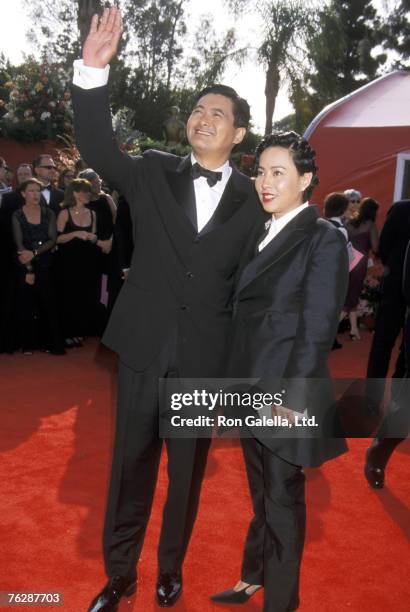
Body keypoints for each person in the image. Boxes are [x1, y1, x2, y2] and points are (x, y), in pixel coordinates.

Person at [72, 7, 262, 611]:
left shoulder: (256, 201)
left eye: (219, 114)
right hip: (145, 346)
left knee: (185, 479)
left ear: (238, 135)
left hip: (205, 359)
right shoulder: (152, 171)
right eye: (198, 110)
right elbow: (100, 147)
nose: (203, 119)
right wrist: (92, 73)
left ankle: (169, 568)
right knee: (129, 467)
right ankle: (120, 573)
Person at [210, 132, 348, 612]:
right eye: (261, 172)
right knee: (262, 493)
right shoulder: (260, 230)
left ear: (305, 179)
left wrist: (291, 400)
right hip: (250, 386)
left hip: (284, 394)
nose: (265, 183)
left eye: (278, 173)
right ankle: (254, 576)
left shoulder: (324, 237)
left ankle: (282, 603)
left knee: (283, 500)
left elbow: (316, 329)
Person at [11, 178, 65, 355]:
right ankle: (27, 343)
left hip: (46, 262)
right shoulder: (17, 215)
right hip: (24, 263)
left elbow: (52, 239)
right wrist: (28, 269)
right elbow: (19, 245)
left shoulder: (49, 213)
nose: (35, 194)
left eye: (37, 191)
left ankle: (51, 343)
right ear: (23, 194)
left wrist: (34, 254)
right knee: (26, 303)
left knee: (48, 303)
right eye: (31, 191)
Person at [366, 198, 410, 409]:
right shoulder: (401, 209)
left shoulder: (401, 209)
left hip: (394, 285)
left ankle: (372, 398)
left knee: (383, 343)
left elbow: (383, 247)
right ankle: (397, 401)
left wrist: (393, 262)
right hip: (396, 287)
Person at [341, 197, 379, 340]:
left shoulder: (349, 222)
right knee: (351, 298)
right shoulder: (371, 225)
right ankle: (326, 332)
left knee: (350, 295)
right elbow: (375, 247)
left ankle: (354, 330)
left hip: (346, 261)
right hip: (360, 263)